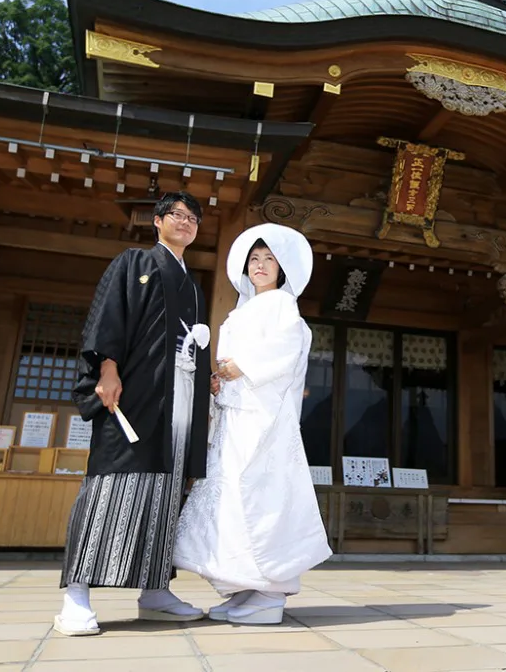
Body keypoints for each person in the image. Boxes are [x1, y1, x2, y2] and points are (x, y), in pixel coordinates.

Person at [54, 192, 212, 637]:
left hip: (178, 403)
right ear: (158, 222)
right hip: (135, 396)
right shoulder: (134, 263)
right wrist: (107, 367)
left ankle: (155, 591)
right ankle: (77, 595)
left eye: (193, 218)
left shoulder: (193, 285)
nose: (186, 222)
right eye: (177, 215)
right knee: (111, 485)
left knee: (165, 492)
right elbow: (110, 317)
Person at [173, 223, 332, 625]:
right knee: (230, 499)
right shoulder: (243, 308)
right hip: (236, 414)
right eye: (255, 259)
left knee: (259, 498)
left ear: (282, 268)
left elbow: (284, 350)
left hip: (263, 418)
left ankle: (269, 593)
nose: (260, 266)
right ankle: (243, 587)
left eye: (269, 260)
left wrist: (239, 368)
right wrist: (220, 378)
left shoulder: (283, 304)